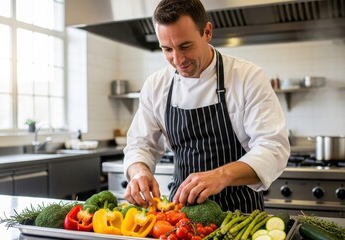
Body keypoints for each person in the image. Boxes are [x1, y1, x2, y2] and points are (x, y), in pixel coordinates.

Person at [123, 0, 290, 213]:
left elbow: (273, 148)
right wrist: (139, 171)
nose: (178, 60)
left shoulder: (247, 77)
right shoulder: (156, 85)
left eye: (185, 46)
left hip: (240, 215)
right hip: (180, 214)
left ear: (208, 32)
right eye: (167, 49)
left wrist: (221, 175)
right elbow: (140, 144)